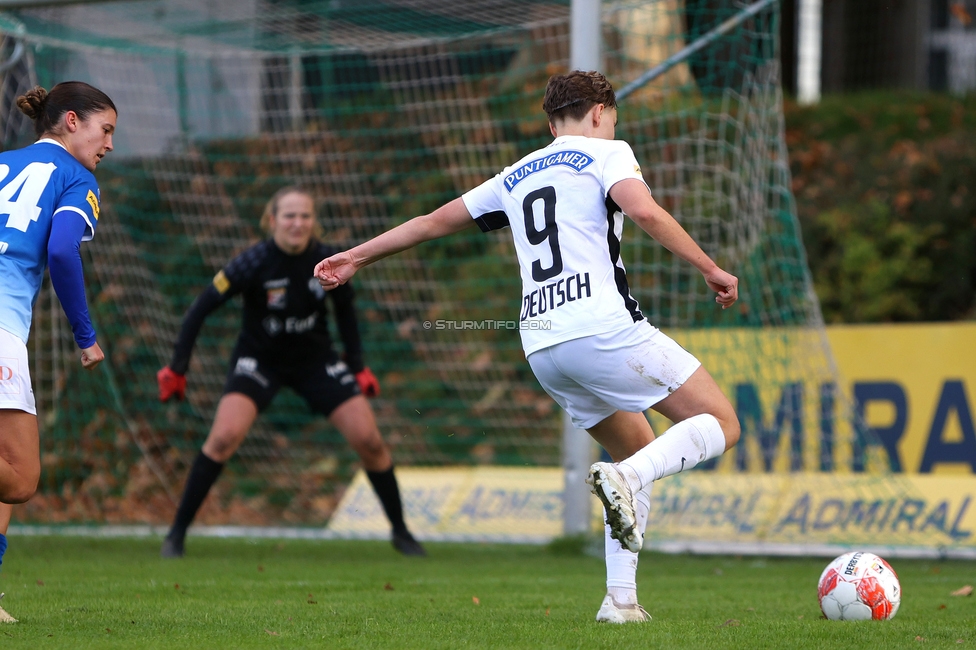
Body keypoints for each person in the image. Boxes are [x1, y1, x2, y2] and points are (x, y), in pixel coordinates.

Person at [313, 70, 741, 623]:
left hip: (543, 347)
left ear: (549, 122)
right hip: (602, 329)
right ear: (598, 114)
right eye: (610, 121)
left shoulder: (515, 173)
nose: (610, 129)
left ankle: (620, 601)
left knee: (635, 446)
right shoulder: (606, 153)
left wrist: (357, 257)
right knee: (722, 424)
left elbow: (429, 223)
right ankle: (627, 480)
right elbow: (643, 210)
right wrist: (709, 267)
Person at [157, 186, 425, 558]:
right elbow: (200, 309)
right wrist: (178, 368)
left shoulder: (327, 261)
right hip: (259, 360)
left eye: (305, 216)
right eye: (289, 215)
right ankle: (176, 535)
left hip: (316, 361)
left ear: (314, 222)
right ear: (272, 221)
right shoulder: (252, 263)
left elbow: (346, 312)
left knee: (370, 440)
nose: (297, 223)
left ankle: (401, 533)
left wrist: (358, 367)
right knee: (223, 439)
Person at [0, 82, 117, 623]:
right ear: (72, 121)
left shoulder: (3, 162)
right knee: (21, 479)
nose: (109, 144)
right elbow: (63, 250)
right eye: (106, 129)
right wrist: (85, 335)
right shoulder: (77, 177)